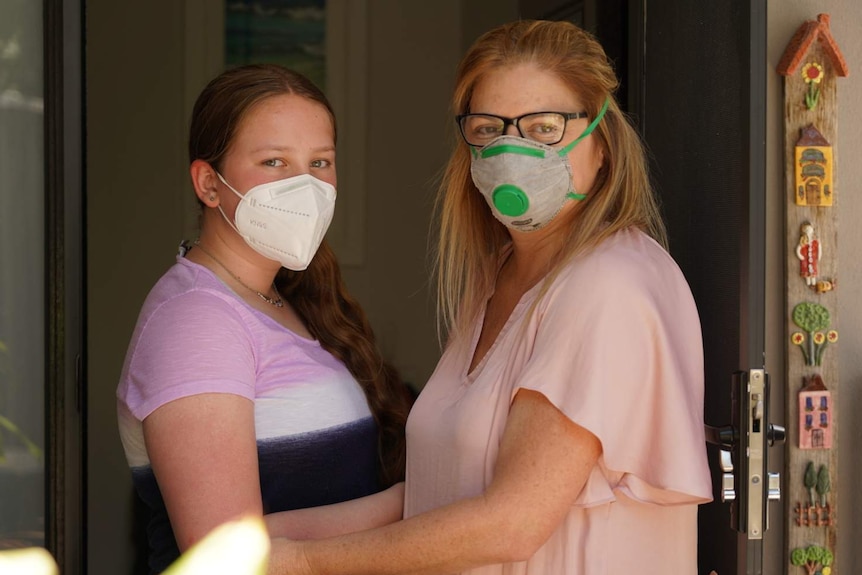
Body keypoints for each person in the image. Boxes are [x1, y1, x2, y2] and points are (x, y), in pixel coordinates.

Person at [274, 19, 712, 575]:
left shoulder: (610, 285)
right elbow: (436, 494)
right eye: (488, 129)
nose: (513, 151)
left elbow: (511, 524)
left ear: (601, 143)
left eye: (545, 127)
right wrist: (265, 536)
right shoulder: (499, 273)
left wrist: (303, 563)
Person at [116, 64, 412, 574]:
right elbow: (224, 552)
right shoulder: (196, 320)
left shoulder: (287, 299)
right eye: (274, 161)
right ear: (209, 184)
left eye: (320, 162)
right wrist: (414, 504)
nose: (306, 185)